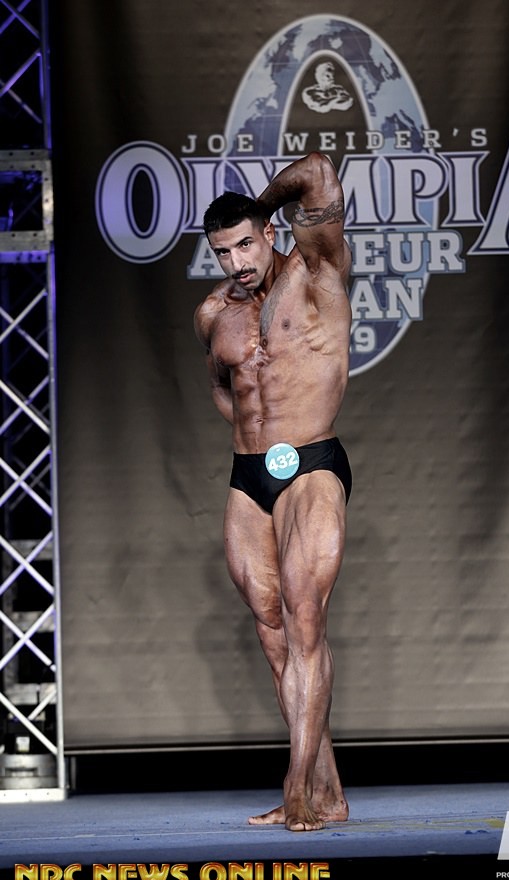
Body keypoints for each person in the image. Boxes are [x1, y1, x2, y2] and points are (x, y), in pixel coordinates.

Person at [194, 152, 352, 832]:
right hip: (248, 474)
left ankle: (295, 787)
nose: (236, 262)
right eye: (222, 252)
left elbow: (316, 171)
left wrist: (261, 203)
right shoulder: (214, 312)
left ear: (267, 231)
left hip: (311, 460)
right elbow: (221, 384)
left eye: (245, 244)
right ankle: (326, 790)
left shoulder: (317, 274)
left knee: (304, 615)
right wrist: (247, 428)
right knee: (272, 630)